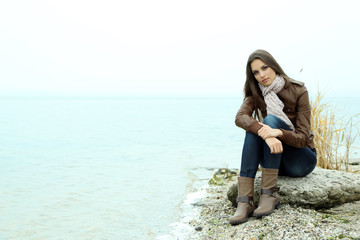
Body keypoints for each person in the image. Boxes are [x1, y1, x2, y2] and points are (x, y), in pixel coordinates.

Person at [229, 49, 317, 225]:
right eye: (256, 72)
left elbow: (302, 138)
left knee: (268, 120)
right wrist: (268, 136)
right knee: (253, 127)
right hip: (274, 160)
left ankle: (269, 194)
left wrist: (277, 132)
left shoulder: (298, 90)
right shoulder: (256, 93)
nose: (262, 75)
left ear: (274, 67)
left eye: (264, 68)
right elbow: (240, 117)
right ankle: (245, 200)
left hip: (300, 160)